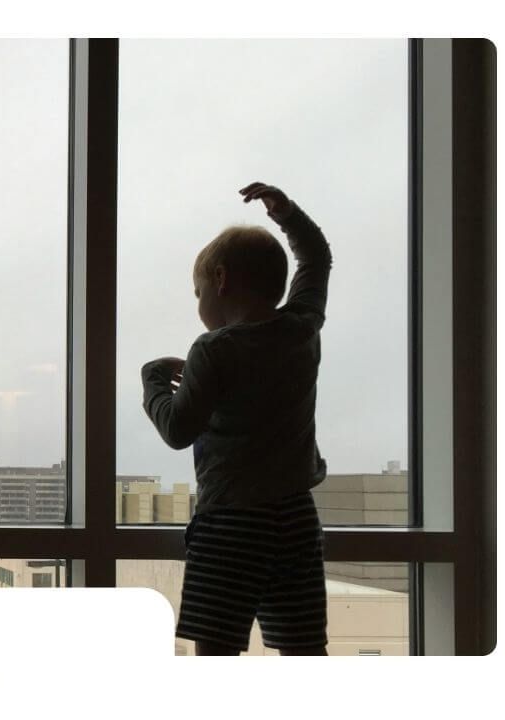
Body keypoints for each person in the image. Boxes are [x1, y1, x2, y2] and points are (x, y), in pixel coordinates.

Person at [141, 182, 332, 655]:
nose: (199, 302)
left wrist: (154, 383)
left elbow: (177, 429)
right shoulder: (302, 326)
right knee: (303, 647)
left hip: (231, 522)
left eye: (198, 291)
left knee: (217, 648)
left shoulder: (214, 349)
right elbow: (316, 260)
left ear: (220, 280)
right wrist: (286, 212)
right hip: (294, 516)